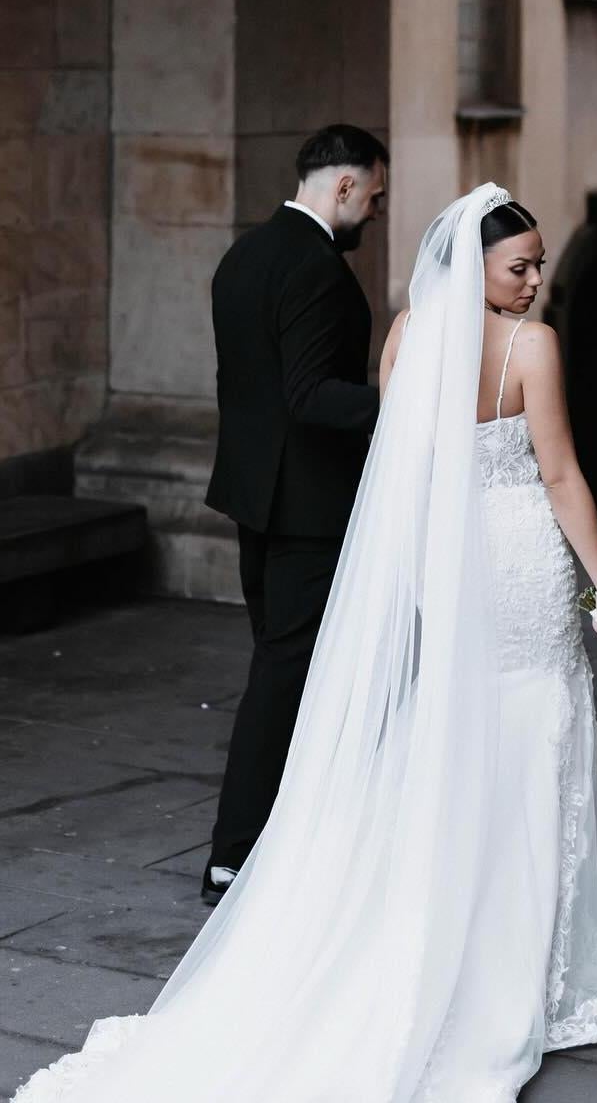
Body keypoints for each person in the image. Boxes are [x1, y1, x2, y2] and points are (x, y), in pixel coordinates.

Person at [13, 184, 597, 1103]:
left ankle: (442, 930)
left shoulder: (410, 334)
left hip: (443, 563)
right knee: (533, 732)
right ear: (480, 267)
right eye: (520, 265)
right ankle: (517, 967)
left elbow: (402, 464)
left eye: (538, 264)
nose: (536, 281)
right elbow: (561, 471)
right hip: (516, 556)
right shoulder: (530, 348)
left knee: (457, 734)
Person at [201, 123, 389, 902]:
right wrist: (409, 402)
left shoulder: (244, 253)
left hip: (255, 497)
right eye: (373, 197)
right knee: (285, 676)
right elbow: (310, 396)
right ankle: (236, 853)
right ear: (343, 186)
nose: (375, 213)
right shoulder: (315, 270)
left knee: (288, 672)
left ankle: (288, 833)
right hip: (308, 508)